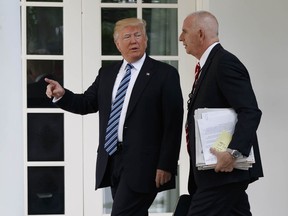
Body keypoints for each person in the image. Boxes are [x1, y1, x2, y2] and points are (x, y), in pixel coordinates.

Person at [45, 17, 183, 216]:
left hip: (145, 165)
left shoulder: (164, 74)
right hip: (112, 159)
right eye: (127, 36)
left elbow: (173, 123)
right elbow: (87, 103)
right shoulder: (107, 73)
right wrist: (62, 95)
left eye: (138, 35)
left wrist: (166, 164)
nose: (133, 41)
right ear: (118, 44)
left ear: (146, 40)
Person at [179, 11, 263, 215]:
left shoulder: (224, 63)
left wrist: (233, 152)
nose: (181, 37)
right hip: (215, 173)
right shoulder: (208, 65)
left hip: (224, 172)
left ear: (200, 34)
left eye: (184, 31)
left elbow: (250, 111)